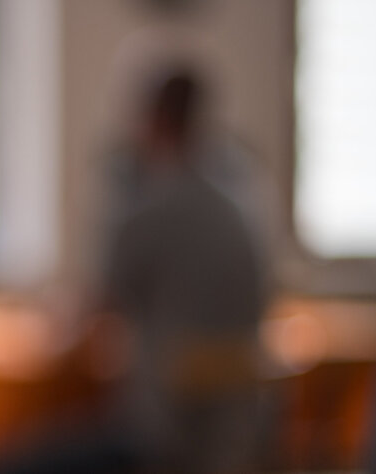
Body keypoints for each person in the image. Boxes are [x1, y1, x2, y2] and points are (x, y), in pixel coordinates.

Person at [97, 66, 267, 474]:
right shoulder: (242, 213)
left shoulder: (147, 213)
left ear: (152, 121)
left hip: (164, 437)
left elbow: (102, 302)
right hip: (239, 437)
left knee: (21, 461)